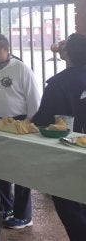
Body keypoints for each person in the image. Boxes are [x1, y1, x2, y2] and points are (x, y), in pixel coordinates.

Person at [0, 33, 41, 230]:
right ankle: (5, 210)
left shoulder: (20, 69)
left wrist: (30, 123)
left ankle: (23, 215)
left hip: (18, 122)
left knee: (21, 169)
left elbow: (34, 98)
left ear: (5, 48)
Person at [32, 33, 86, 241]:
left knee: (66, 200)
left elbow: (42, 119)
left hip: (69, 151)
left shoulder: (59, 83)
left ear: (68, 54)